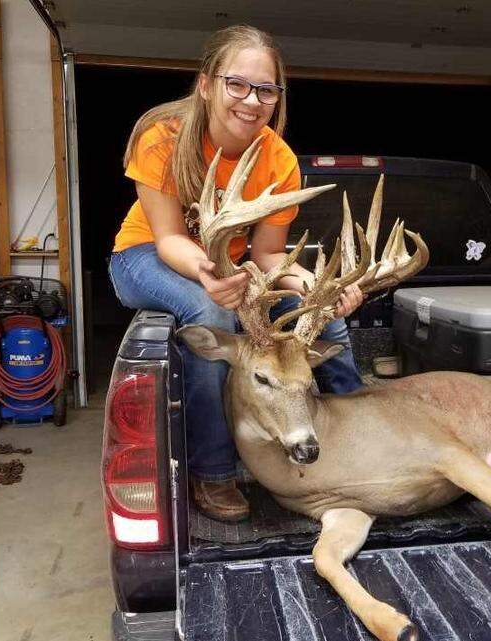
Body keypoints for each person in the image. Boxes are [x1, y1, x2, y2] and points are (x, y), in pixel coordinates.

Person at [108, 25, 366, 523]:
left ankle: (356, 429)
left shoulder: (279, 160)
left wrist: (318, 289)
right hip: (144, 257)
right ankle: (214, 469)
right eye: (237, 85)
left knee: (324, 320)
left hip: (234, 267)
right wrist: (207, 273)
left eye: (266, 89)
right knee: (210, 313)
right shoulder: (161, 137)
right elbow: (167, 239)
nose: (252, 100)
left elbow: (269, 256)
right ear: (206, 84)